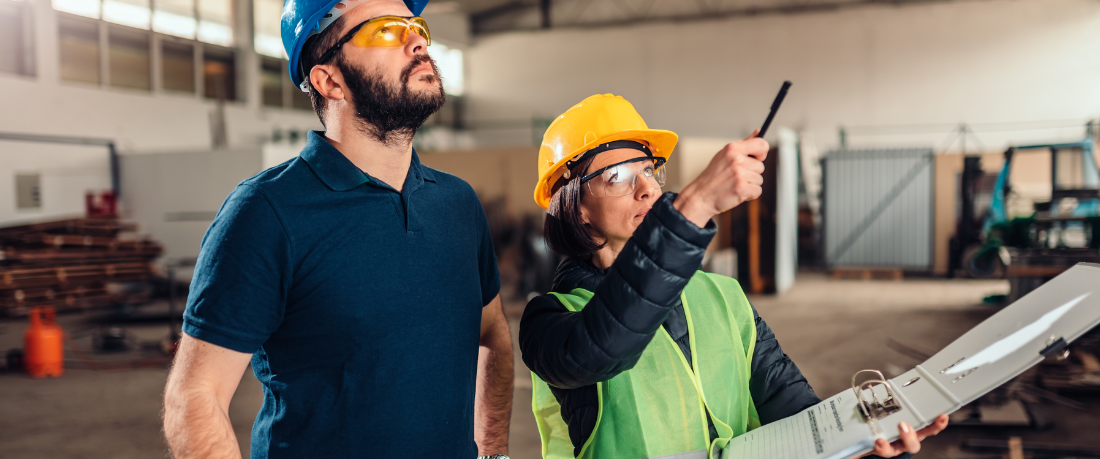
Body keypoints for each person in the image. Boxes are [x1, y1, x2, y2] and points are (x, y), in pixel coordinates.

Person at [161, 1, 513, 458]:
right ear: (330, 81)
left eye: (416, 27)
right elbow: (195, 397)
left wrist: (493, 450)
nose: (417, 41)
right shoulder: (266, 212)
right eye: (386, 31)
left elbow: (492, 335)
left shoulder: (458, 203)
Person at [520, 94, 948, 459]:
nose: (646, 188)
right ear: (575, 205)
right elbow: (604, 344)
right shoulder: (550, 320)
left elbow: (790, 406)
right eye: (617, 177)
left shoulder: (722, 295)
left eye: (649, 170)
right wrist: (696, 204)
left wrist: (856, 445)